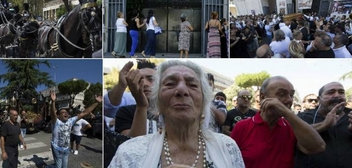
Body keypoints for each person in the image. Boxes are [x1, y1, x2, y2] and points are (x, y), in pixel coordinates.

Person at [109, 60, 245, 168]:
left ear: (204, 102)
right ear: (158, 102)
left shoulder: (228, 147)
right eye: (170, 84)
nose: (181, 89)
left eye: (192, 85)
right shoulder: (128, 152)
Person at [231, 76, 325, 168]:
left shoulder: (292, 127)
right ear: (263, 97)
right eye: (282, 94)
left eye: (291, 95)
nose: (289, 99)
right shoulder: (242, 127)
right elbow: (230, 161)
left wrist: (288, 114)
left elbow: (318, 147)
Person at [294, 82, 352, 168]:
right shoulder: (304, 117)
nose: (337, 96)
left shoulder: (350, 115)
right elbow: (293, 138)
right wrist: (323, 125)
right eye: (331, 92)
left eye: (341, 92)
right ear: (319, 99)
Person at [50, 91, 102, 168]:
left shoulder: (70, 121)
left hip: (66, 149)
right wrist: (53, 102)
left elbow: (85, 112)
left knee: (64, 166)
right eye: (63, 112)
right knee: (58, 167)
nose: (66, 113)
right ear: (58, 116)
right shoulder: (56, 121)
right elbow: (52, 114)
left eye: (66, 112)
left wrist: (96, 103)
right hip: (57, 148)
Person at [115, 60, 158, 137]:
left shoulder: (173, 110)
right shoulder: (126, 112)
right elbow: (131, 144)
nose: (144, 83)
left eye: (151, 79)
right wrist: (141, 106)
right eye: (139, 80)